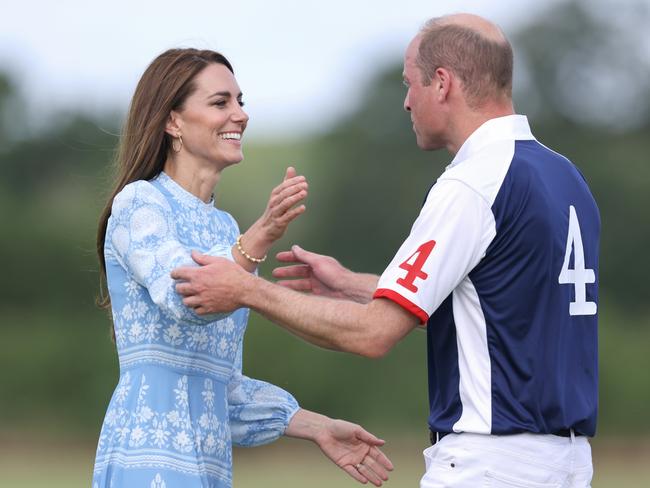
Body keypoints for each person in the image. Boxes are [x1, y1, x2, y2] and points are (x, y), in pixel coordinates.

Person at [172, 13, 600, 488]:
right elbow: (495, 306)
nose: (406, 102)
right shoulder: (565, 177)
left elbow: (374, 335)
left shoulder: (473, 183)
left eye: (409, 83)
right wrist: (354, 285)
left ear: (442, 83)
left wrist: (246, 289)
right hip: (568, 465)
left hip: (491, 463)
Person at [93, 48, 393, 488]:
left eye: (240, 101)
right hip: (149, 461)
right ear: (172, 121)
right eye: (220, 103)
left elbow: (223, 389)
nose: (240, 115)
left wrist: (316, 426)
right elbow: (186, 296)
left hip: (209, 468)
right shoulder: (140, 203)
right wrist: (263, 233)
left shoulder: (224, 227)